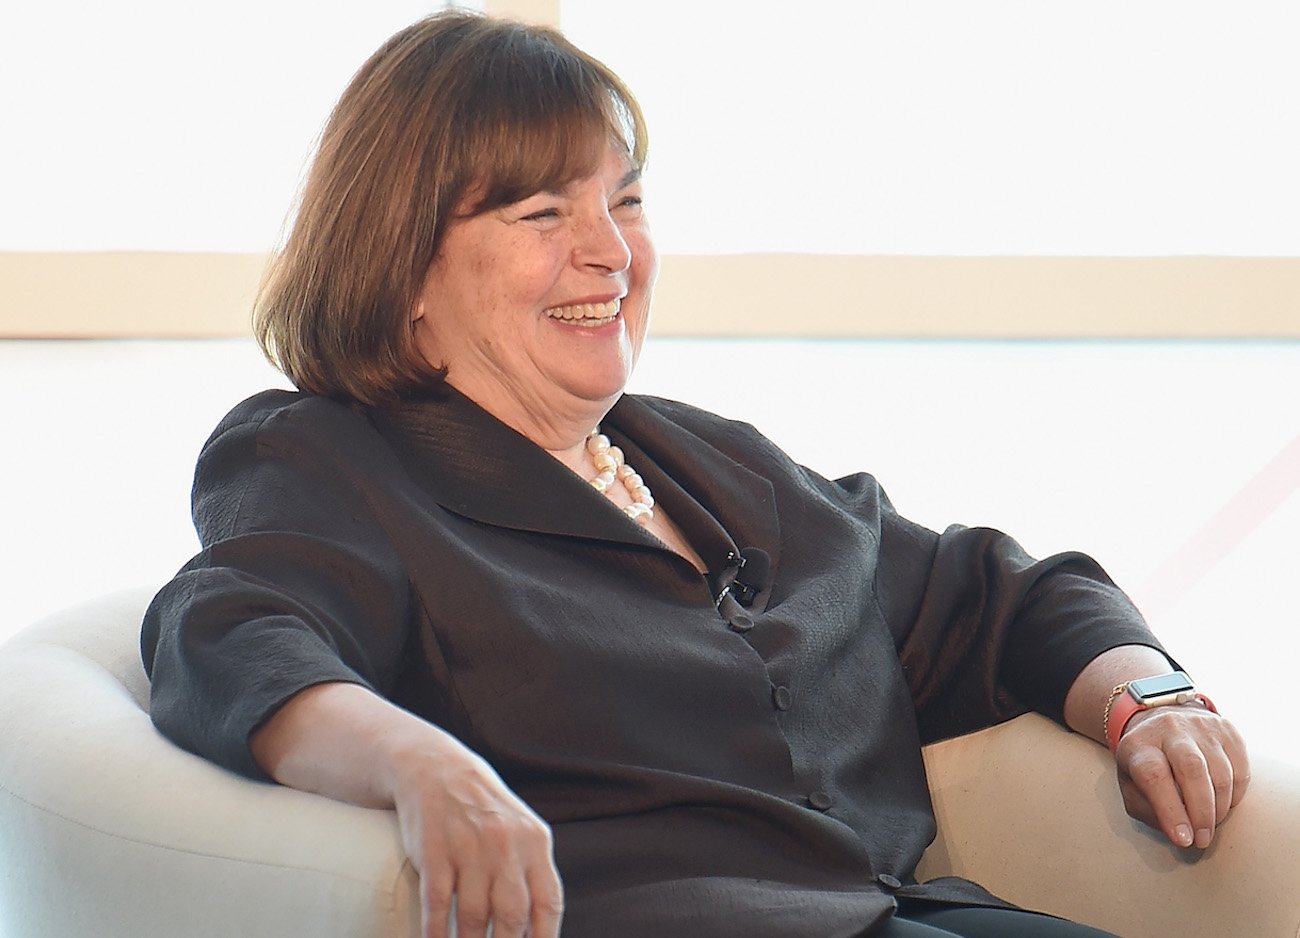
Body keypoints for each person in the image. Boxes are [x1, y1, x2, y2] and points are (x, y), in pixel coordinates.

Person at [140, 11, 1249, 938]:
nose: (611, 252)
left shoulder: (702, 458)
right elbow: (233, 631)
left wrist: (1140, 693)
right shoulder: (329, 456)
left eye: (623, 200)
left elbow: (986, 590)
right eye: (542, 213)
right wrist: (425, 768)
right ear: (404, 265)